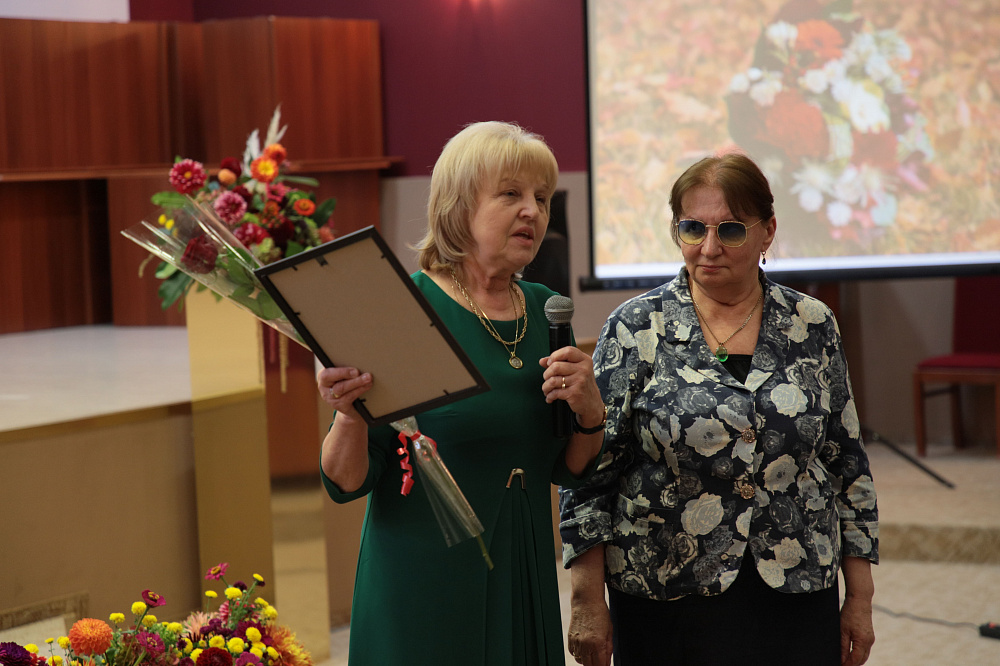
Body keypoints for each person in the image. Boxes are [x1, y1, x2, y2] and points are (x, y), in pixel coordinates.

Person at [559, 153, 879, 666]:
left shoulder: (813, 324)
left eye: (730, 231)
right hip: (665, 591)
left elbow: (847, 465)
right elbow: (591, 475)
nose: (708, 248)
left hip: (796, 585)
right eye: (692, 229)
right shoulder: (635, 327)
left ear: (767, 231)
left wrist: (860, 598)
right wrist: (585, 600)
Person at [317, 121, 607, 665]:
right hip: (425, 582)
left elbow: (570, 469)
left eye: (542, 198)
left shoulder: (546, 311)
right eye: (511, 194)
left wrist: (591, 412)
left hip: (522, 570)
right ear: (459, 205)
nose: (533, 211)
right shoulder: (403, 309)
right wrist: (349, 415)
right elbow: (347, 480)